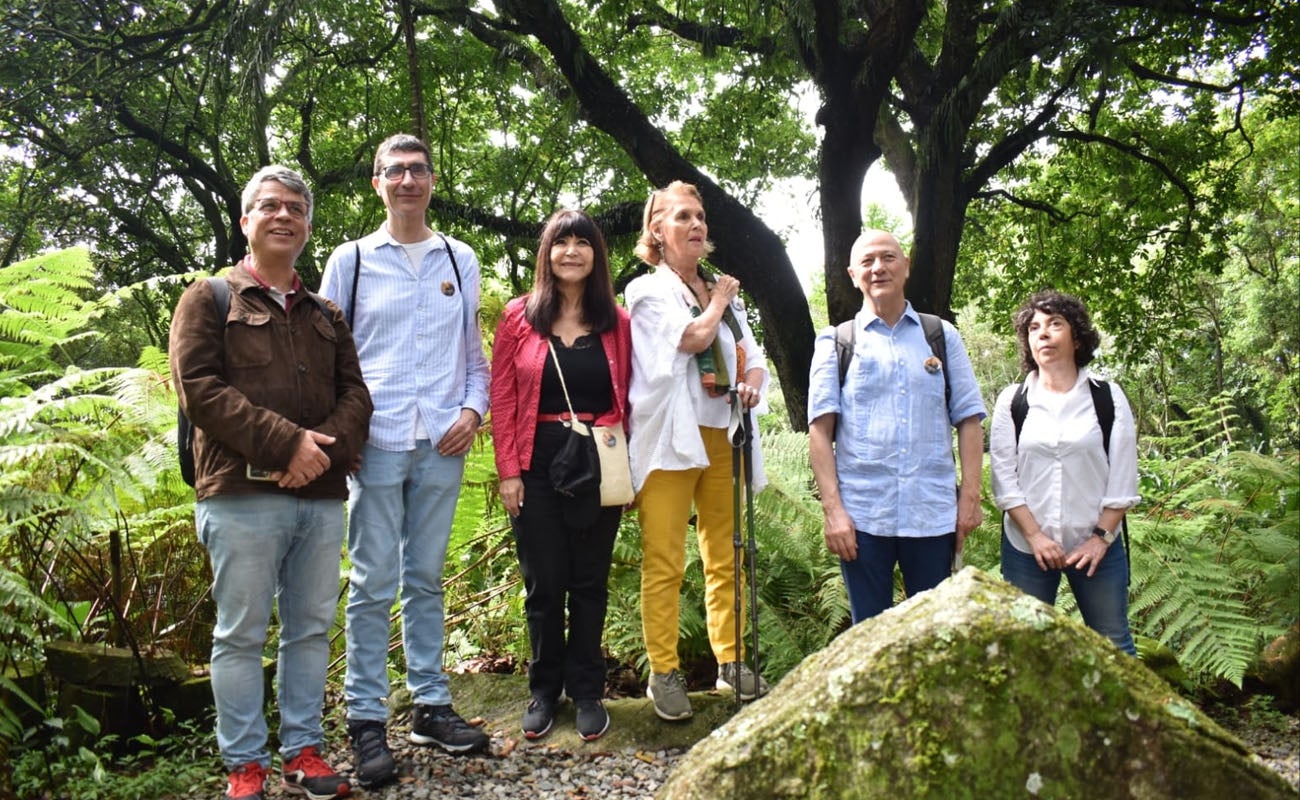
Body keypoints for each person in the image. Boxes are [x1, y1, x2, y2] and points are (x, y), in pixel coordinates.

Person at [170, 165, 373, 800]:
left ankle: (304, 753)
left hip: (319, 499)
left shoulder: (326, 313)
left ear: (307, 225)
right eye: (269, 206)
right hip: (240, 497)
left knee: (309, 629)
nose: (283, 215)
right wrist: (288, 443)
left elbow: (356, 396)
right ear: (245, 221)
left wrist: (318, 453)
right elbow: (198, 389)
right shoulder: (210, 298)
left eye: (295, 208)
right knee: (241, 633)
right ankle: (244, 765)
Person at [319, 134, 491, 787]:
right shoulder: (352, 260)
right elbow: (330, 358)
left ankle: (430, 706)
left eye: (418, 169)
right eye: (395, 171)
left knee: (425, 577)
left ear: (432, 180)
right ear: (378, 183)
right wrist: (343, 435)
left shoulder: (459, 258)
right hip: (377, 442)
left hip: (442, 441)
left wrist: (472, 411)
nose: (408, 180)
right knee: (371, 582)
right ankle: (366, 719)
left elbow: (473, 354)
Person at [626, 180, 770, 722]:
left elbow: (753, 357)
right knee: (665, 559)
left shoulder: (717, 290)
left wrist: (751, 383)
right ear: (657, 230)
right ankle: (663, 672)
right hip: (670, 440)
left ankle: (730, 660)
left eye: (701, 216)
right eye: (683, 216)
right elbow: (688, 340)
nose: (696, 225)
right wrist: (720, 301)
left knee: (726, 554)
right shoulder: (646, 292)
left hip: (722, 434)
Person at [490, 209, 632, 741]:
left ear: (597, 255)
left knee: (590, 581)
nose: (571, 251)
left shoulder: (618, 322)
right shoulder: (518, 317)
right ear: (546, 253)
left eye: (583, 242)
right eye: (561, 242)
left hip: (598, 456)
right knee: (544, 584)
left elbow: (633, 394)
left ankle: (588, 690)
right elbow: (503, 397)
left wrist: (628, 468)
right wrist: (509, 472)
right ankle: (544, 690)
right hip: (537, 458)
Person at [807, 229, 986, 624]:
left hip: (932, 514)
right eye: (867, 261)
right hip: (863, 517)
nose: (878, 268)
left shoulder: (940, 336)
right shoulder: (836, 342)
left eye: (888, 258)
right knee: (869, 633)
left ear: (905, 266)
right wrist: (833, 511)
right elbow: (819, 432)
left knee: (934, 630)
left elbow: (970, 420)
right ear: (853, 274)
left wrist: (970, 498)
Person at [989, 290, 1139, 654]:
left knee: (1114, 645)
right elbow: (1004, 481)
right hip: (1027, 547)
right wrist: (1035, 536)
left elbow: (1123, 478)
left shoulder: (1107, 397)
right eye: (1034, 327)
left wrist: (1099, 538)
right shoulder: (1013, 401)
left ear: (1077, 337)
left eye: (1055, 324)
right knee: (1025, 649)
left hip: (1096, 545)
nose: (1043, 333)